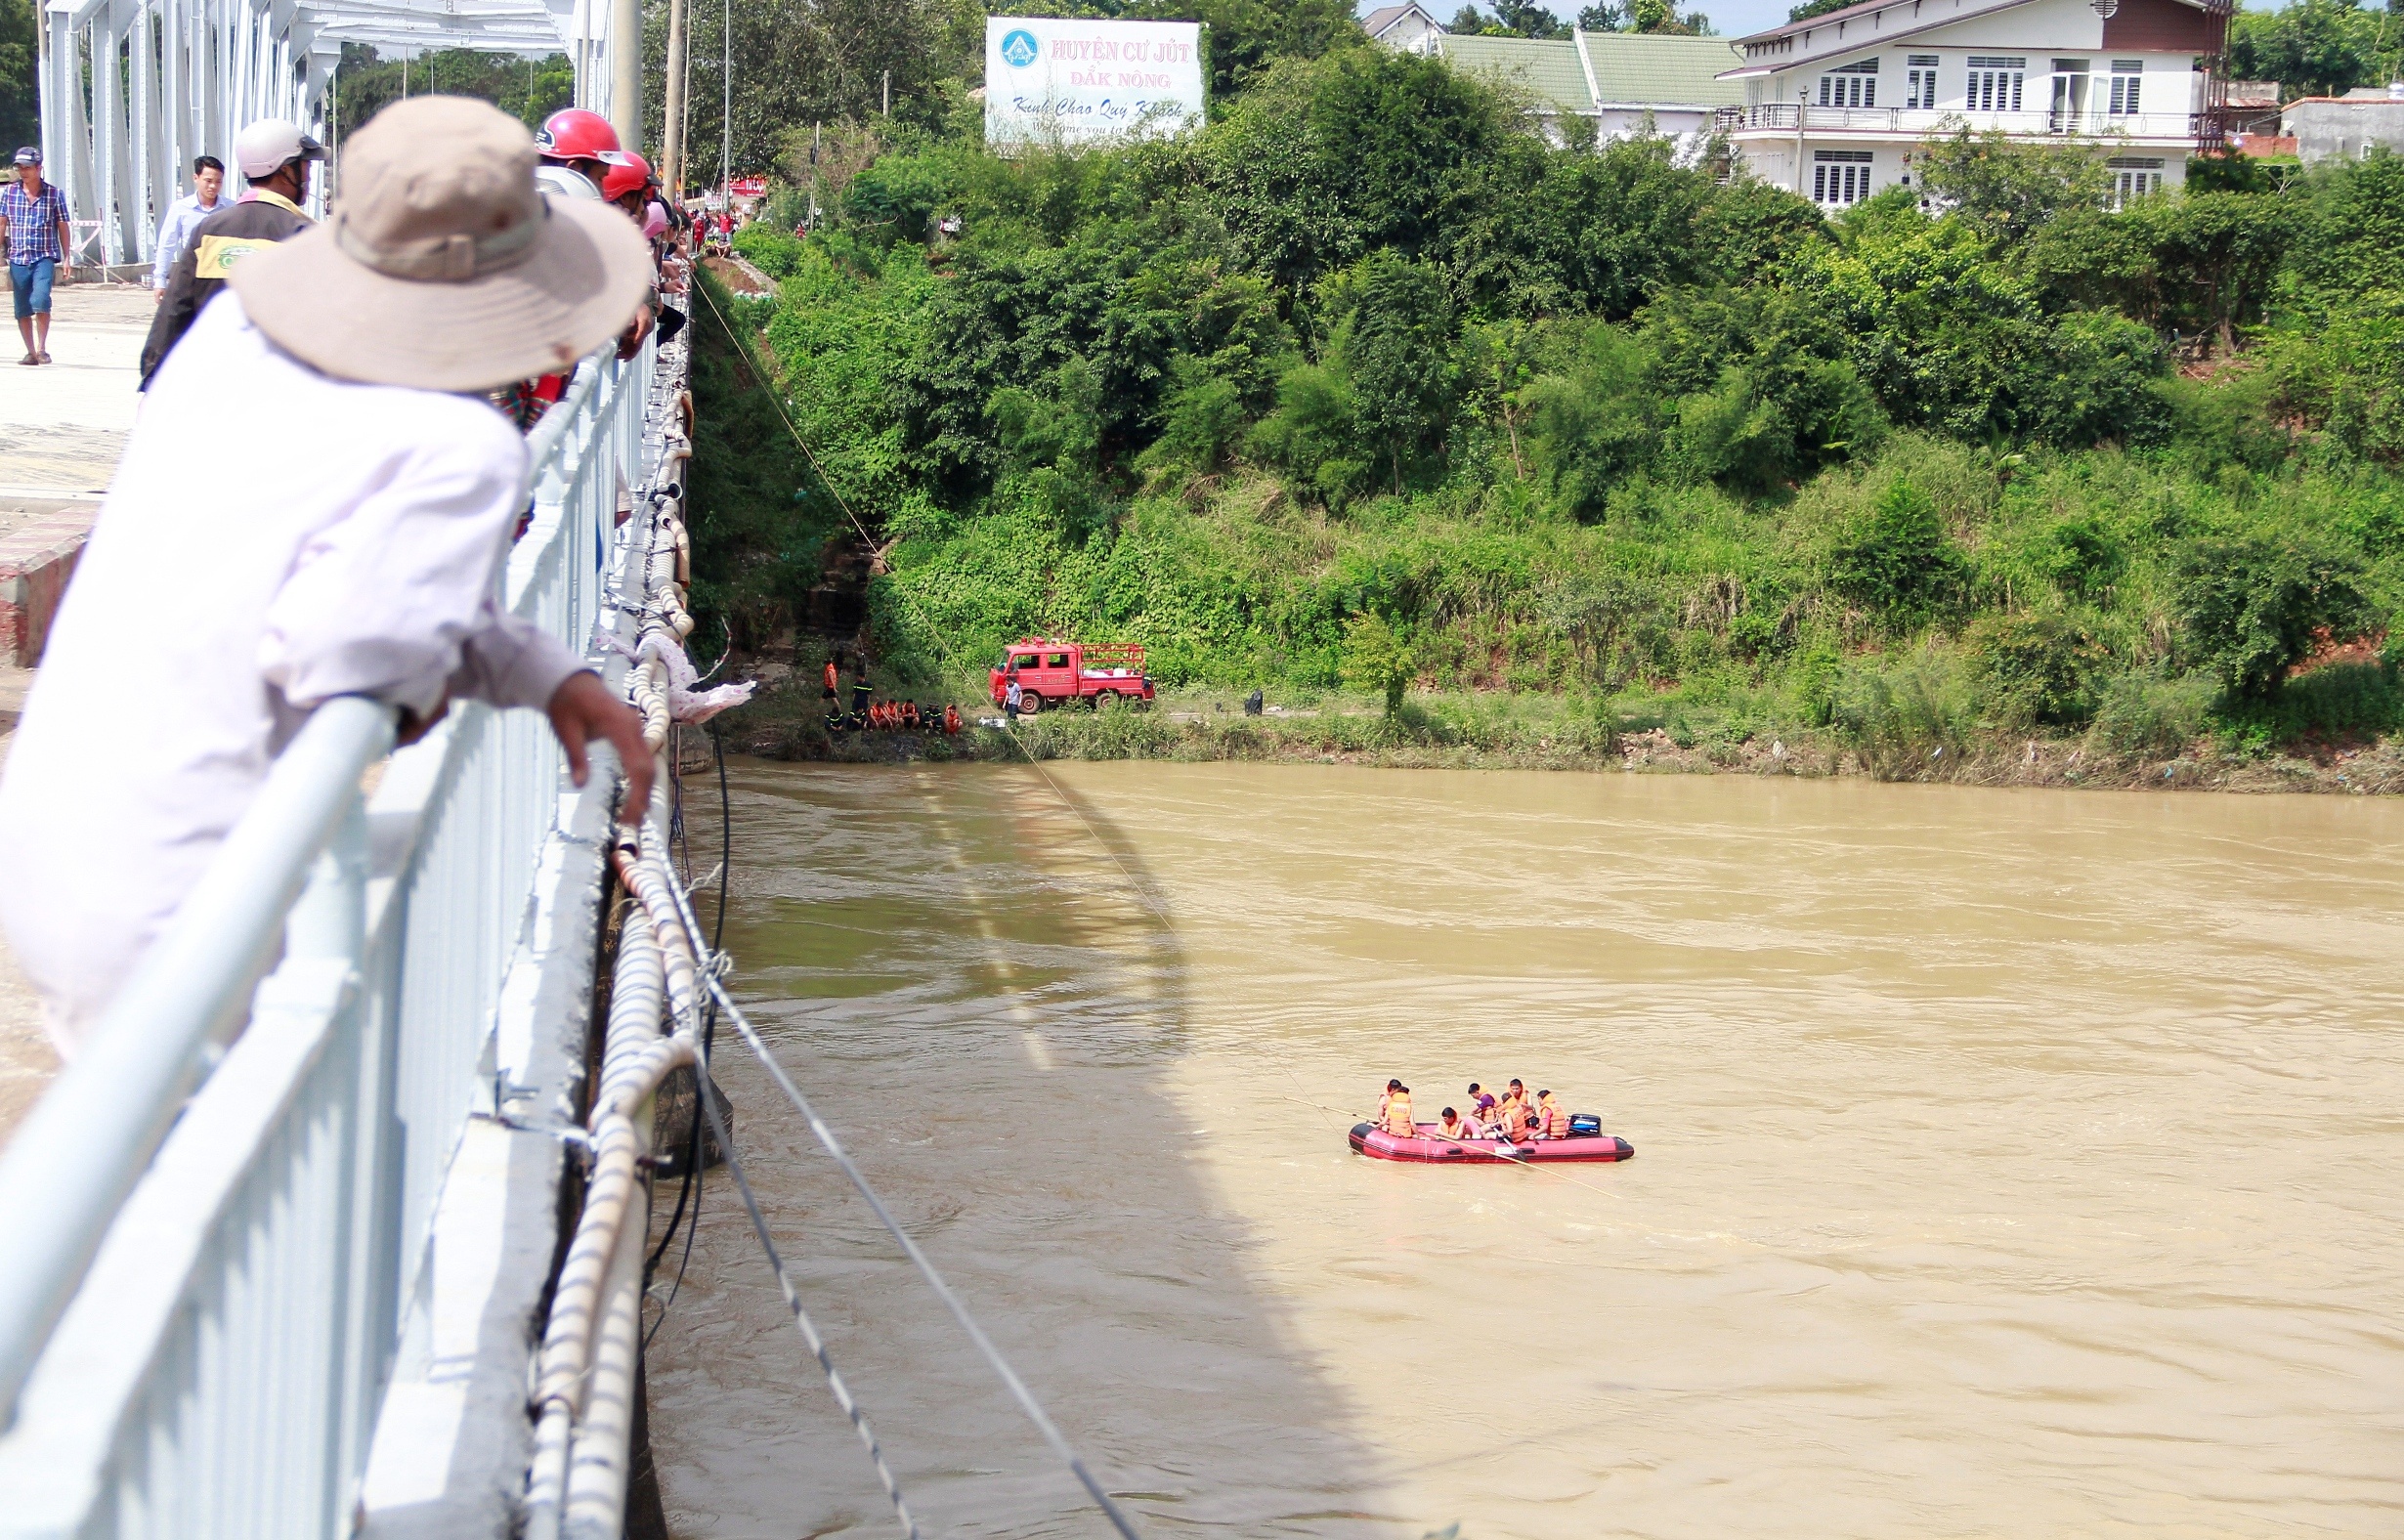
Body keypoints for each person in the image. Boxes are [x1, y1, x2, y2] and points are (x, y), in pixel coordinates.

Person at [0, 97, 656, 1051]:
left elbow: (321, 580)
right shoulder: (462, 447)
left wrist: (542, 672)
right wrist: (426, 678)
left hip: (52, 856)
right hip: (189, 924)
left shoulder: (230, 345)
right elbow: (346, 653)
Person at [140, 118, 324, 390]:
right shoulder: (303, 235)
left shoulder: (209, 229)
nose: (308, 174)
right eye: (305, 164)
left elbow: (175, 312)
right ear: (285, 171)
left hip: (212, 386)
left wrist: (151, 382)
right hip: (275, 390)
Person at [5, 146, 71, 366]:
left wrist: (67, 256)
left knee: (41, 300)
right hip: (18, 257)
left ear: (39, 168)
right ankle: (30, 352)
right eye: (19, 167)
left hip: (44, 255)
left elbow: (63, 226)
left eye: (28, 167)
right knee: (22, 306)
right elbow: (2, 223)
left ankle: (43, 348)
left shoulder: (54, 194)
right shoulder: (10, 193)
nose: (23, 171)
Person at [150, 154, 231, 302]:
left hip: (222, 279)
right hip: (191, 276)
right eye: (208, 181)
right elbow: (167, 245)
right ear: (196, 178)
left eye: (218, 181)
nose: (213, 186)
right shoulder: (180, 209)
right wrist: (160, 280)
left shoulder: (231, 208)